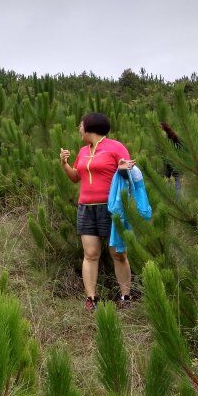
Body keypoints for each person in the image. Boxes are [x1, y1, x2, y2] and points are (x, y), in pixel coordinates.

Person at [59, 112, 134, 312]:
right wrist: (64, 164)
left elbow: (130, 172)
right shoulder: (83, 151)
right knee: (91, 253)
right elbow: (76, 177)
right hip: (86, 208)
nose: (79, 128)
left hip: (111, 208)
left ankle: (125, 296)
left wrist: (125, 168)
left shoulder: (116, 147)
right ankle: (92, 299)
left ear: (89, 126)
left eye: (80, 124)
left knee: (118, 253)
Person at [160, 122, 182, 196]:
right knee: (169, 183)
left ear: (165, 129)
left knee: (177, 183)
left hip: (176, 165)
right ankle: (172, 200)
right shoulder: (163, 141)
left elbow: (181, 151)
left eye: (161, 130)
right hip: (168, 166)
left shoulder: (174, 138)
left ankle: (178, 201)